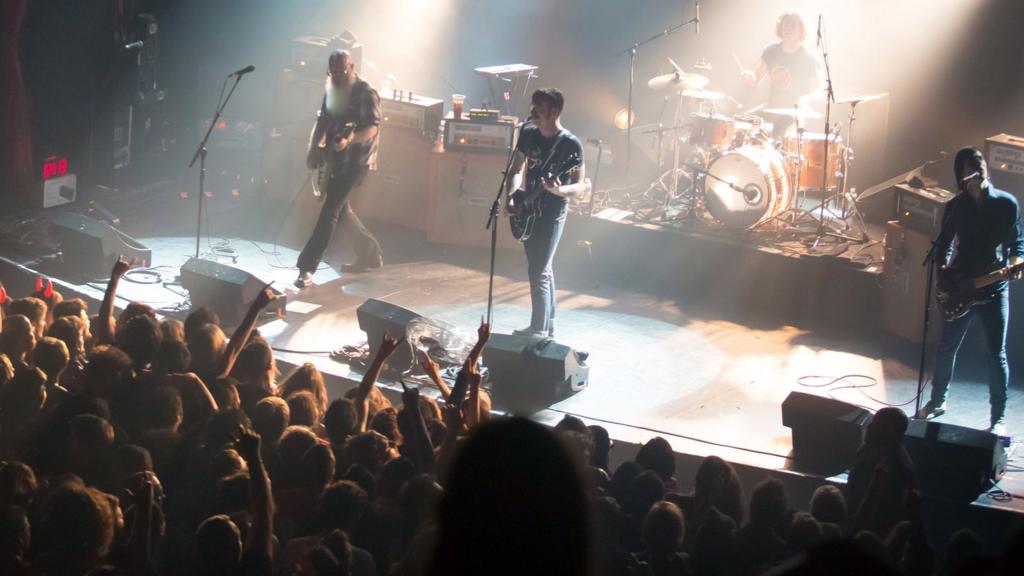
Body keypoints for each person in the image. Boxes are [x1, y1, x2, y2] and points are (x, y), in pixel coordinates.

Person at [917, 147, 1023, 435]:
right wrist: (942, 280)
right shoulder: (956, 206)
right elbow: (943, 246)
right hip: (961, 285)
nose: (978, 168)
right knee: (947, 347)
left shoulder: (1006, 204)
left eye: (980, 163)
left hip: (994, 286)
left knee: (995, 353)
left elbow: (1018, 244)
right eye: (970, 166)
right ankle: (937, 401)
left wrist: (1015, 264)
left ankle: (998, 419)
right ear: (961, 175)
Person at [295, 49, 384, 288]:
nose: (336, 76)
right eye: (332, 72)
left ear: (352, 68)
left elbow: (372, 128)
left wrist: (349, 139)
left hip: (356, 162)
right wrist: (313, 149)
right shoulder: (332, 90)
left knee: (329, 212)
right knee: (341, 213)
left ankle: (306, 267)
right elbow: (322, 120)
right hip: (335, 159)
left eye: (341, 71)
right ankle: (370, 254)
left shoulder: (365, 92)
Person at [504, 88, 586, 337]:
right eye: (534, 108)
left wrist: (559, 191)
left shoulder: (570, 145)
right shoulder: (528, 133)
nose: (534, 114)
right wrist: (510, 195)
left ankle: (538, 328)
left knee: (537, 269)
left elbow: (581, 187)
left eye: (540, 110)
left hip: (553, 212)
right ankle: (548, 326)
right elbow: (516, 168)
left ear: (555, 111)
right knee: (543, 268)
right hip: (527, 209)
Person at [740, 9, 821, 137]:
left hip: (795, 113)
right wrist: (749, 75)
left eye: (792, 25)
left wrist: (805, 100)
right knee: (741, 123)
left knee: (783, 138)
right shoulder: (771, 51)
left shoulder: (808, 58)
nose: (787, 29)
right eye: (785, 25)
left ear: (801, 31)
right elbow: (756, 78)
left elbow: (817, 91)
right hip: (771, 106)